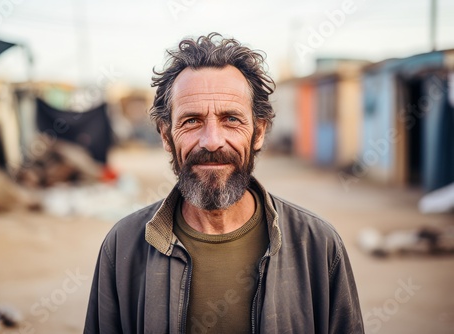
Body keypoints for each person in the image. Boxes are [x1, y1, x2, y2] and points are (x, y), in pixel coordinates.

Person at [84, 33, 364, 334]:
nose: (213, 141)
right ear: (166, 136)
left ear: (258, 133)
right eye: (191, 121)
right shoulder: (123, 246)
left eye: (231, 119)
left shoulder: (317, 245)